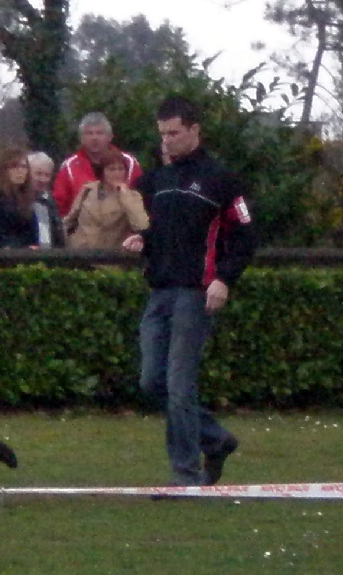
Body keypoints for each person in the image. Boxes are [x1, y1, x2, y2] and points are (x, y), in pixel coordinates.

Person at [123, 96, 257, 486]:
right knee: (152, 382)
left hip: (195, 294)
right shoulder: (154, 182)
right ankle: (215, 439)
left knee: (180, 387)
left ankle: (185, 474)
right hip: (159, 292)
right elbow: (153, 229)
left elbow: (246, 235)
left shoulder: (222, 180)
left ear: (195, 130)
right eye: (162, 134)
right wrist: (141, 240)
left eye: (174, 133)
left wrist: (225, 278)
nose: (167, 141)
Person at [52, 112, 143, 217]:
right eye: (89, 133)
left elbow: (141, 200)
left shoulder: (129, 163)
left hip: (123, 230)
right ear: (81, 138)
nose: (94, 138)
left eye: (99, 133)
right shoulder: (69, 167)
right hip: (84, 231)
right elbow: (59, 207)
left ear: (110, 136)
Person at [63, 148, 149, 250]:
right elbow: (69, 220)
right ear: (102, 171)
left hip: (110, 257)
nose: (117, 173)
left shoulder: (132, 196)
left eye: (120, 169)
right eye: (111, 169)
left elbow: (141, 225)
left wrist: (125, 196)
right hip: (80, 254)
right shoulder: (88, 190)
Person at [27, 151, 66, 248]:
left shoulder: (50, 202)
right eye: (38, 174)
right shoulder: (16, 202)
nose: (43, 179)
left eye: (47, 175)